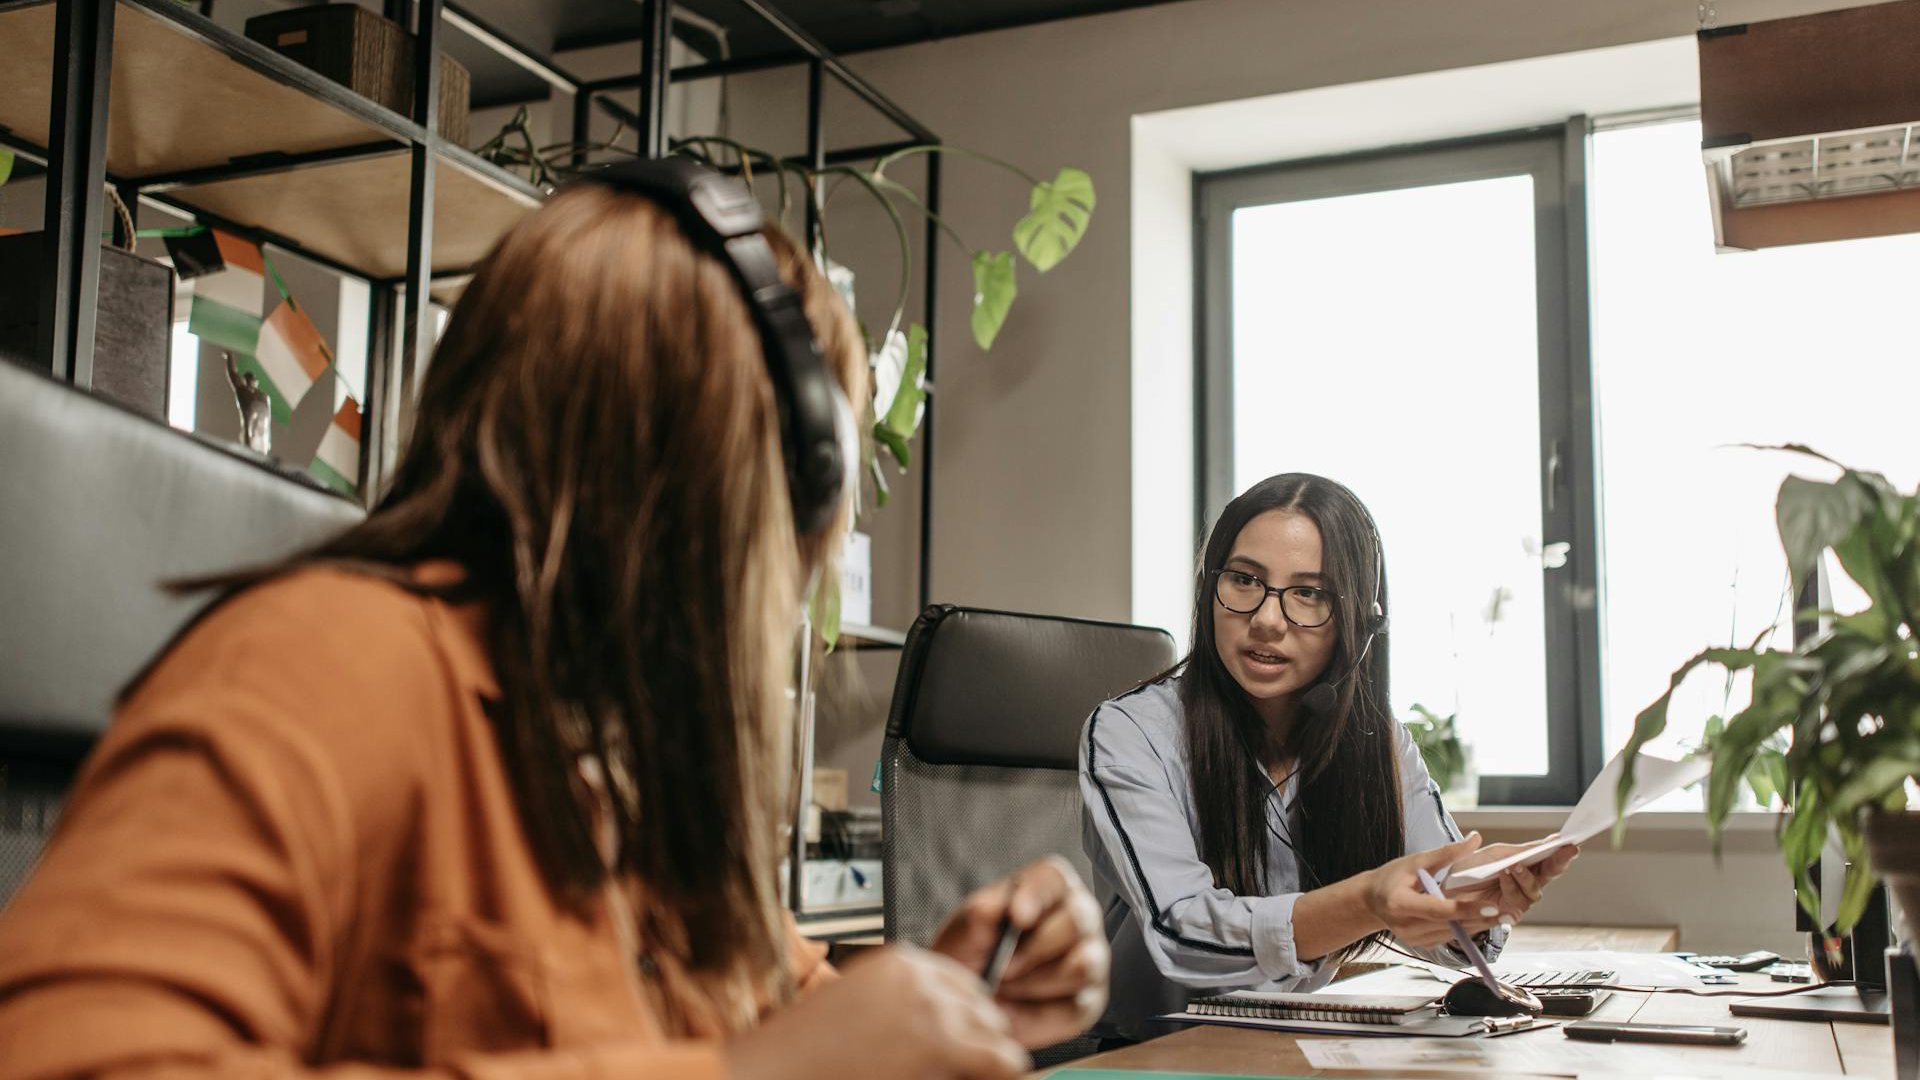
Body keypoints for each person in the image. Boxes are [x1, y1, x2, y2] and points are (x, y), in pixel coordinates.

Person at [0, 165, 1107, 1080]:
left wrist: (944, 994)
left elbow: (781, 1005)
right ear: (733, 488)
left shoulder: (630, 752)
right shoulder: (327, 659)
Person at [1079, 472, 1576, 1041]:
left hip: (1309, 1047)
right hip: (1158, 1055)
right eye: (1244, 580)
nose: (1267, 620)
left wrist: (1476, 896)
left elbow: (1442, 926)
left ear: (1359, 623)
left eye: (1309, 594)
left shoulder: (1377, 741)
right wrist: (1369, 901)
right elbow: (1181, 931)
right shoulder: (1129, 732)